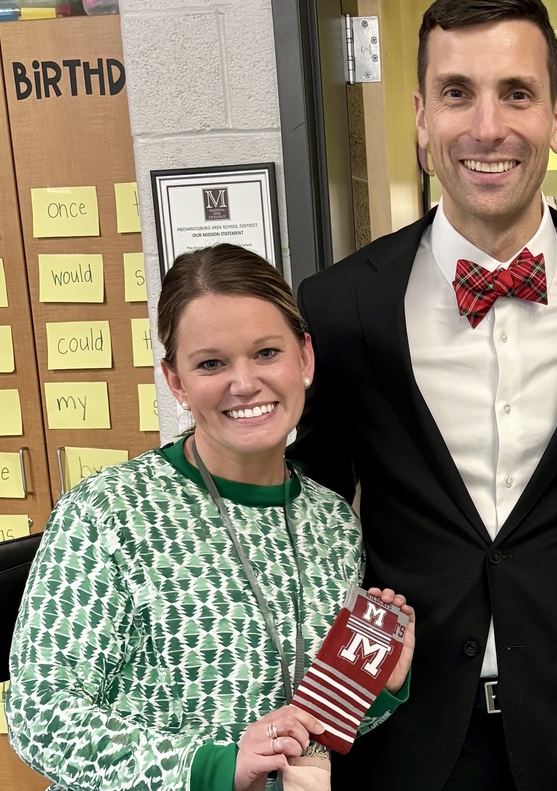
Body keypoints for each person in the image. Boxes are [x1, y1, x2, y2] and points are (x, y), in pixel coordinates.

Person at [292, 0, 557, 790]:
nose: (487, 126)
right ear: (420, 117)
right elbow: (304, 514)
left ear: (556, 117)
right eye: (456, 93)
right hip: (403, 733)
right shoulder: (339, 305)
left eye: (517, 93)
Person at [7, 243, 415, 791]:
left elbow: (310, 730)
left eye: (266, 353)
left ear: (305, 358)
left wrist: (377, 689)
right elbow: (41, 718)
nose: (244, 383)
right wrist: (216, 767)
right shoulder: (109, 512)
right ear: (176, 381)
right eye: (211, 364)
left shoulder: (332, 523)